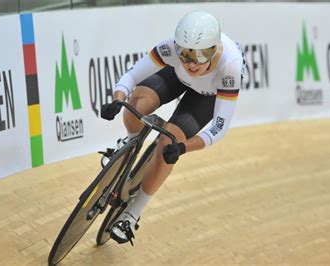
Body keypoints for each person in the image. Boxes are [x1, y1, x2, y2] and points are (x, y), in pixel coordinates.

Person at [100, 10, 246, 245]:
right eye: (185, 53)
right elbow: (132, 76)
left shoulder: (230, 66)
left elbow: (219, 128)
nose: (191, 63)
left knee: (167, 146)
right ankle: (128, 146)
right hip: (175, 77)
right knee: (136, 103)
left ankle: (132, 214)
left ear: (215, 50)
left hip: (206, 96)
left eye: (200, 56)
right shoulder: (170, 49)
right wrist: (118, 99)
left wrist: (182, 148)